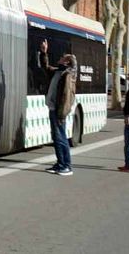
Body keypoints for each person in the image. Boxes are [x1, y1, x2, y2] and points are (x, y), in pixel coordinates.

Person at [39, 39, 77, 176]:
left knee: (60, 137)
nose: (59, 59)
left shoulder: (66, 76)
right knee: (57, 137)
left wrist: (61, 114)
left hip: (58, 111)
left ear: (66, 62)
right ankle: (60, 163)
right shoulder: (58, 72)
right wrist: (44, 53)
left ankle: (65, 165)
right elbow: (45, 67)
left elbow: (67, 97)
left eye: (62, 58)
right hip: (54, 109)